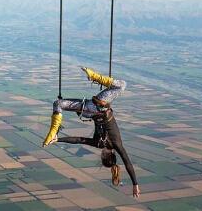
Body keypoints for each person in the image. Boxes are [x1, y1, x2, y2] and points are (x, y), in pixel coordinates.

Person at [42, 67, 140, 197]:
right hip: (87, 111)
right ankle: (53, 133)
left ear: (112, 155)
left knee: (122, 85)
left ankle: (94, 76)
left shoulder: (117, 143)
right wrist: (58, 139)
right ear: (103, 156)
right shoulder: (97, 144)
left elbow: (127, 162)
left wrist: (135, 184)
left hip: (98, 106)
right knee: (58, 104)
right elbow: (78, 140)